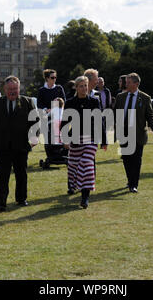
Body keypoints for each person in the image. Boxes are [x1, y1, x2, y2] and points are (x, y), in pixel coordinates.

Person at [0, 76, 39, 213]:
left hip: (21, 145)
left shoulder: (28, 102)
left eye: (15, 89)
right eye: (10, 89)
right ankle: (1, 203)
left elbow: (36, 122)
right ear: (4, 89)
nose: (12, 92)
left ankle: (21, 199)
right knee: (2, 175)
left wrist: (34, 138)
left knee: (21, 173)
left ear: (19, 88)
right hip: (2, 145)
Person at [61, 76, 107, 208]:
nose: (84, 88)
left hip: (91, 138)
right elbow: (64, 123)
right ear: (76, 87)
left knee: (86, 164)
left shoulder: (93, 101)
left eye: (86, 85)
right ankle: (76, 187)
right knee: (74, 167)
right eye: (81, 86)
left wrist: (104, 140)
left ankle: (85, 197)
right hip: (75, 139)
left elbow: (100, 121)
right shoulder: (70, 102)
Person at [114, 73, 153, 193]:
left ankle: (134, 184)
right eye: (126, 82)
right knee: (126, 158)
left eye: (129, 82)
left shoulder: (145, 98)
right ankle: (130, 180)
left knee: (136, 159)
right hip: (123, 132)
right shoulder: (120, 97)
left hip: (138, 133)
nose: (126, 84)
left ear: (136, 84)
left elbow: (150, 115)